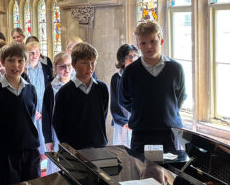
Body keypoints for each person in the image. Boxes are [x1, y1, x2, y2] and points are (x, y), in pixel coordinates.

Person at [0, 42, 41, 185]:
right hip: (4, 154)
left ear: (25, 63)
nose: (16, 65)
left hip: (29, 151)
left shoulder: (30, 89)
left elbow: (30, 117)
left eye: (20, 61)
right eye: (11, 60)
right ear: (2, 62)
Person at [119, 21, 186, 153]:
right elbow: (124, 99)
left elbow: (180, 96)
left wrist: (165, 111)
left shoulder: (175, 68)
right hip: (141, 132)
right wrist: (142, 111)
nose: (149, 46)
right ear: (138, 45)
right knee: (141, 169)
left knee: (169, 172)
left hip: (169, 132)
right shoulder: (131, 71)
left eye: (153, 41)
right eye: (143, 43)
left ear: (161, 41)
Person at [52, 43, 109, 149]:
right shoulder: (65, 91)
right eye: (85, 63)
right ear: (74, 64)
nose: (90, 67)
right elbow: (58, 122)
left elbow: (102, 116)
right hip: (74, 148)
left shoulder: (102, 88)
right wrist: (68, 145)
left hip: (98, 145)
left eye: (93, 63)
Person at [25, 41, 52, 159]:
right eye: (31, 53)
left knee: (44, 141)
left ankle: (43, 163)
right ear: (26, 54)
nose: (34, 55)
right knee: (34, 140)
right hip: (31, 110)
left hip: (43, 107)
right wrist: (33, 110)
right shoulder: (24, 71)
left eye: (37, 52)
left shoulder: (46, 69)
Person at [42, 52, 72, 153]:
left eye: (69, 65)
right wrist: (48, 139)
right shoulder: (51, 88)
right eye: (63, 66)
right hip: (57, 131)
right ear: (55, 68)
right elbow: (46, 114)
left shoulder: (76, 85)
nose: (67, 69)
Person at [111, 44, 138, 148]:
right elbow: (114, 103)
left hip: (137, 121)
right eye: (129, 56)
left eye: (135, 56)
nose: (133, 59)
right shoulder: (116, 78)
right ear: (122, 60)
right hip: (123, 123)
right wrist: (124, 122)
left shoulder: (142, 76)